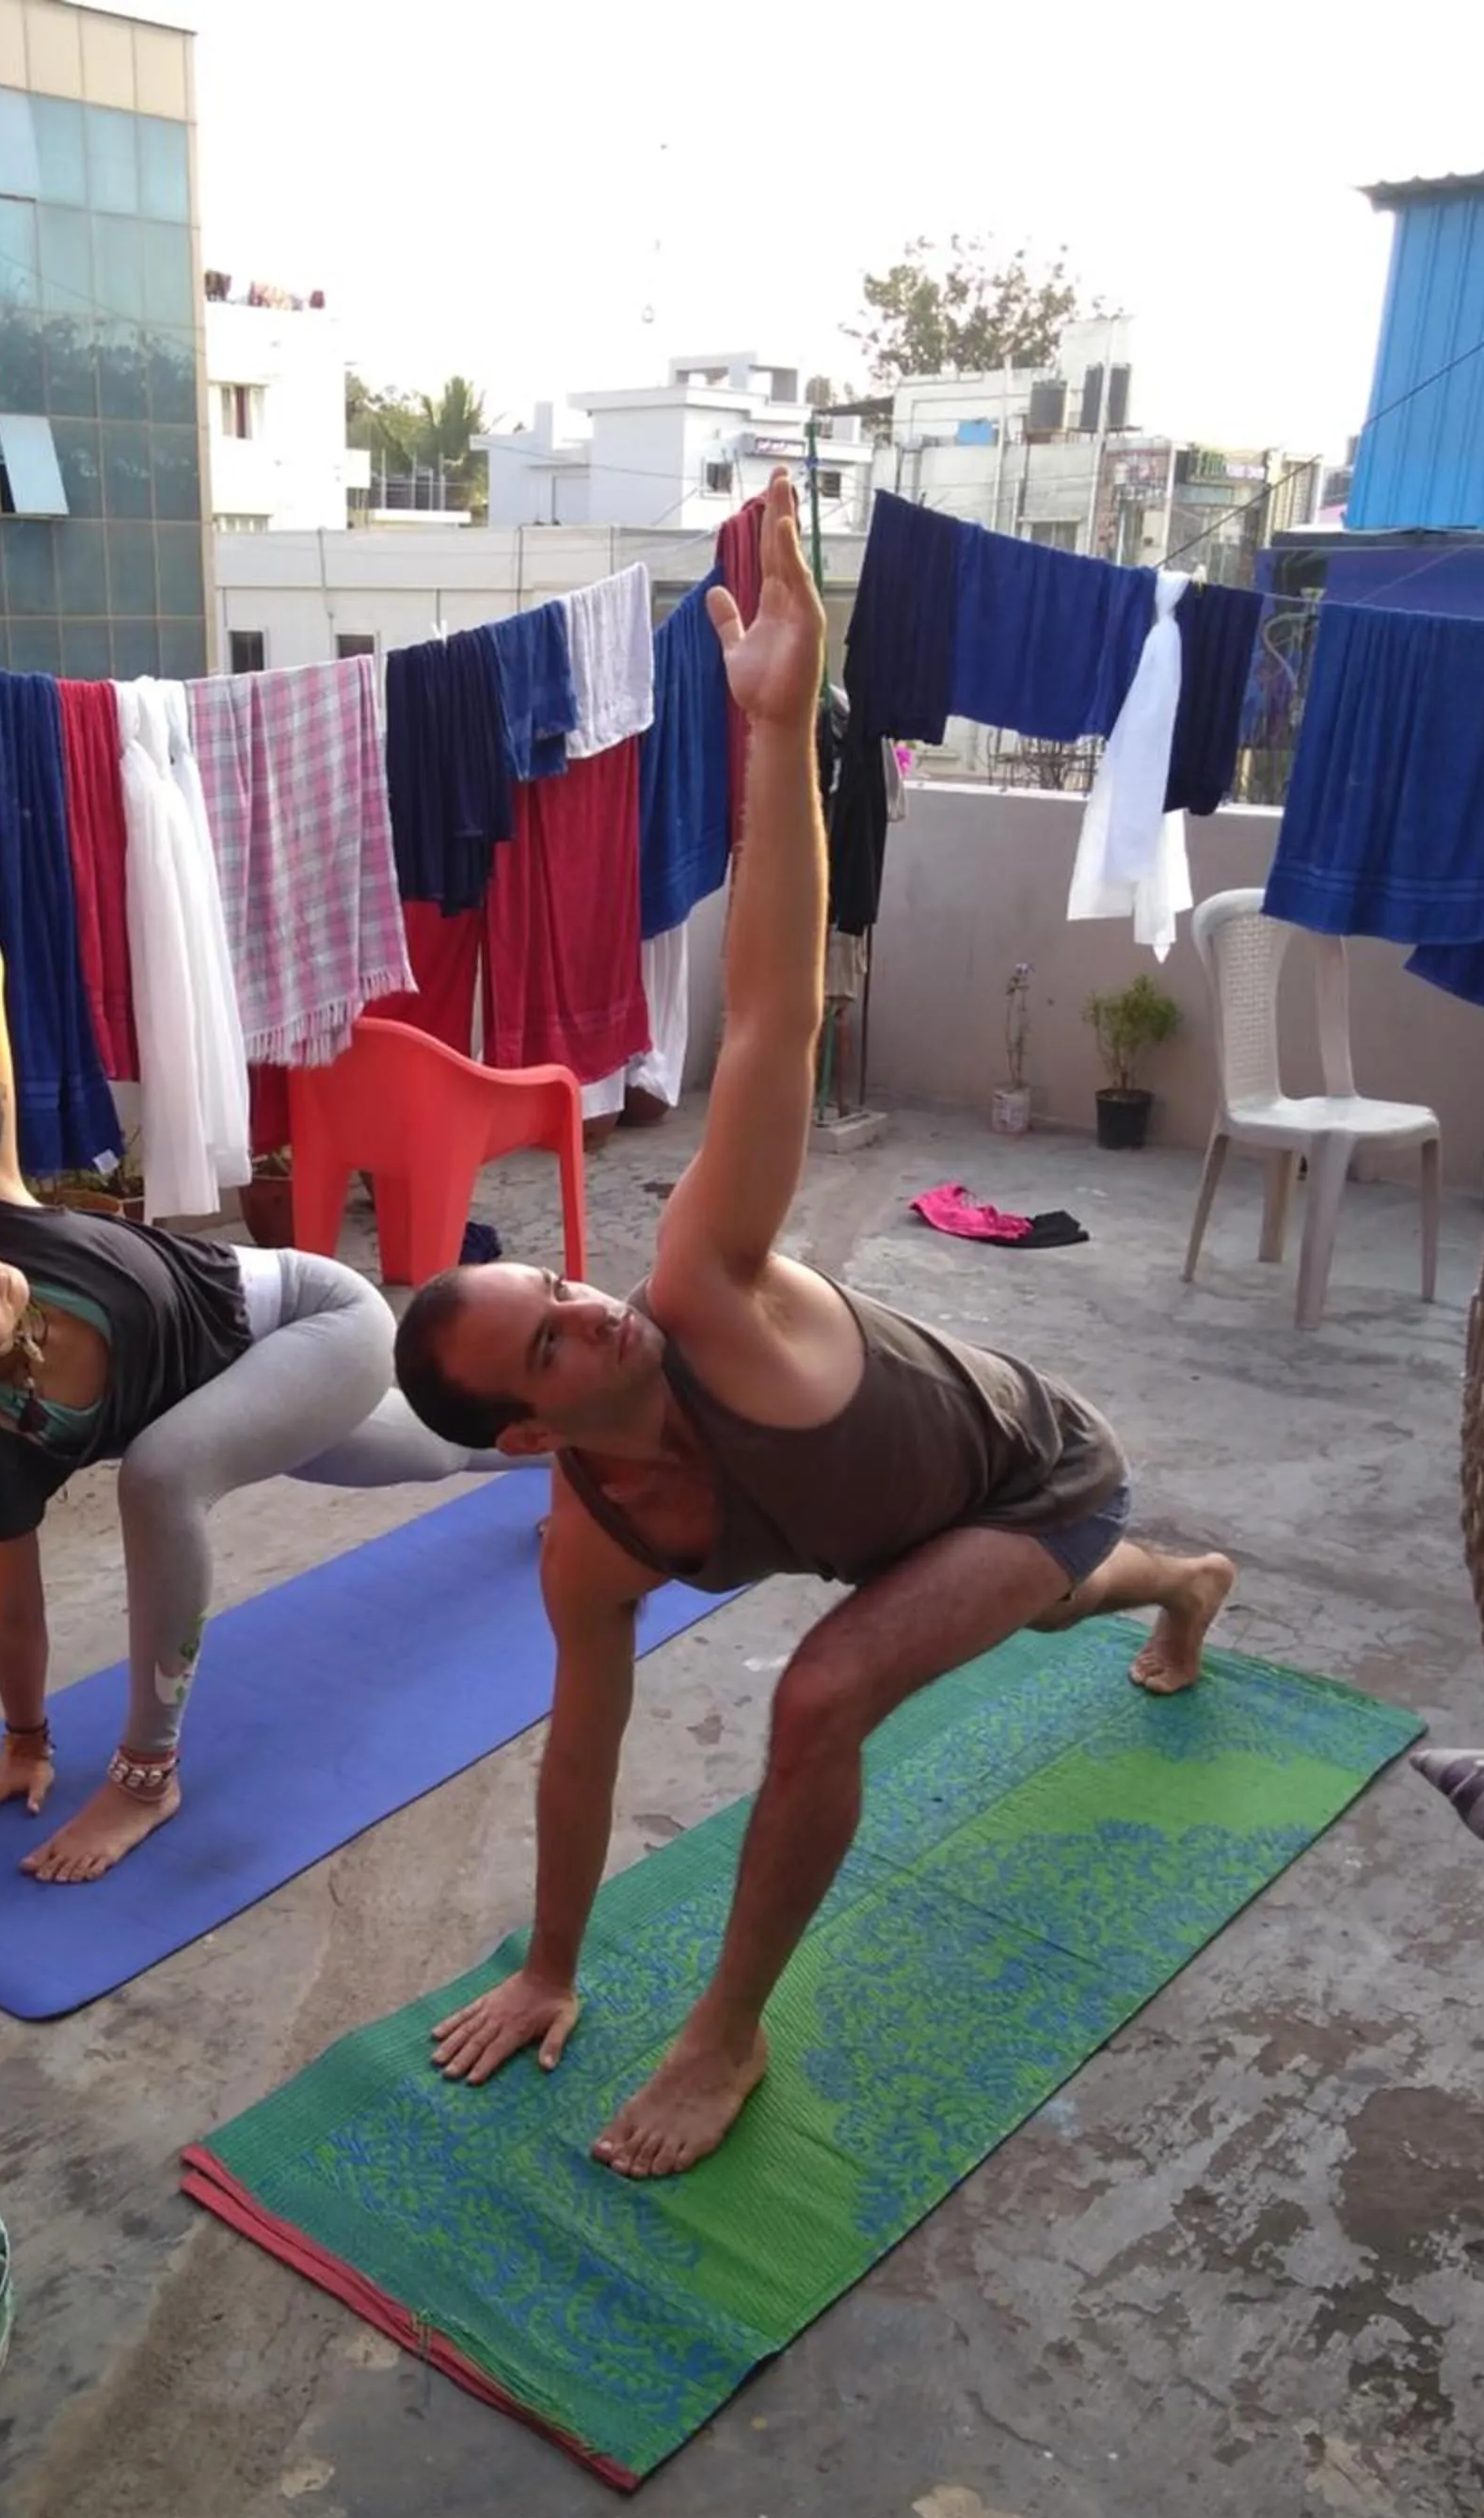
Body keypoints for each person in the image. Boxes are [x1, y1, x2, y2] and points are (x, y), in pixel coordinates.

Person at [392, 472, 1236, 2180]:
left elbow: (773, 1017)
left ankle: (727, 2032)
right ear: (531, 1436)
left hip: (1029, 1468)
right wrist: (547, 1964)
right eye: (548, 1345)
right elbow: (579, 1757)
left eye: (558, 1289)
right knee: (1057, 1606)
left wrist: (778, 731)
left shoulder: (698, 1288)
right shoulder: (590, 1541)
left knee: (826, 1689)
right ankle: (1188, 1583)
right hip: (911, 1526)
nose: (588, 1311)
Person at [0, 599, 516, 1884]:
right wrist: (23, 1741)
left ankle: (149, 1774)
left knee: (160, 1476)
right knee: (440, 1455)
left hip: (312, 1317)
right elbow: (12, 1598)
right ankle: (566, 1443)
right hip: (241, 1401)